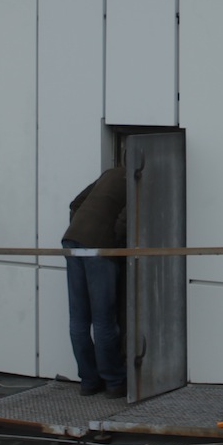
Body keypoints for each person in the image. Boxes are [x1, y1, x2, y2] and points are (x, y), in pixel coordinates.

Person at [62, 163, 128, 398]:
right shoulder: (139, 179)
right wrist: (115, 244)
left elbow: (75, 203)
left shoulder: (111, 173)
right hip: (99, 247)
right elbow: (125, 219)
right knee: (103, 320)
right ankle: (114, 381)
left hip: (72, 240)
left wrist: (83, 231)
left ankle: (89, 381)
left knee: (79, 319)